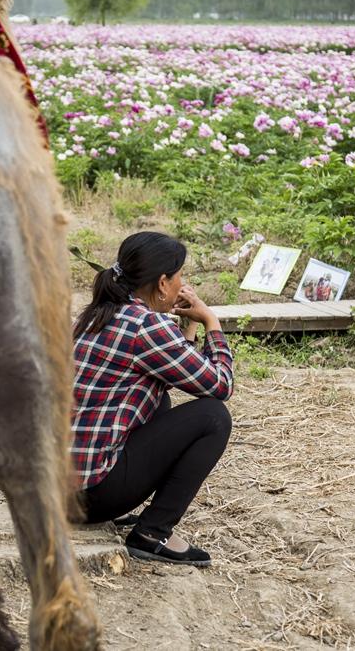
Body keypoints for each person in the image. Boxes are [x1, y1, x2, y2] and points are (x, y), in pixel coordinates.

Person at [71, 232, 234, 567]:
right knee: (213, 417)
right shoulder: (146, 326)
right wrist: (211, 321)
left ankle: (147, 526)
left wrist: (187, 326)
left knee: (159, 402)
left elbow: (173, 371)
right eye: (178, 277)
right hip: (87, 499)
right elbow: (219, 385)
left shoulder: (96, 313)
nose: (181, 285)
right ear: (162, 283)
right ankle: (153, 532)